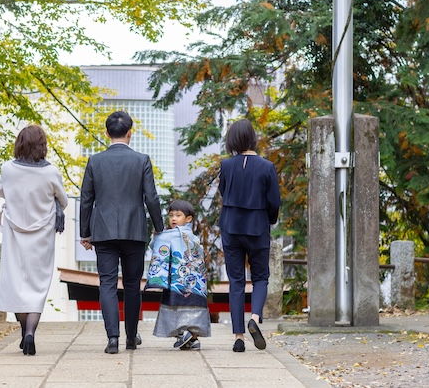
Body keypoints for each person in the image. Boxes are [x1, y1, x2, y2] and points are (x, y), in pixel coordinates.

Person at [80, 110, 164, 354]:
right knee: (131, 284)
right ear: (130, 133)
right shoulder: (142, 160)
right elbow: (151, 197)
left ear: (106, 133)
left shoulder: (95, 161)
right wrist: (159, 228)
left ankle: (112, 338)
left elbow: (87, 199)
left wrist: (85, 233)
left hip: (103, 230)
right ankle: (130, 337)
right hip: (134, 230)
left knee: (106, 283)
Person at [0, 124, 68, 356]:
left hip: (15, 233)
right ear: (42, 145)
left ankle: (23, 332)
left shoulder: (8, 169)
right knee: (37, 284)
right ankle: (30, 333)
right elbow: (63, 200)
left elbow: (0, 191)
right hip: (42, 236)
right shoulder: (50, 172)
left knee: (16, 283)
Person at [217, 118, 281, 352]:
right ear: (253, 138)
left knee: (236, 281)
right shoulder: (267, 167)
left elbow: (224, 192)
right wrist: (269, 219)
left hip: (231, 226)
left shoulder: (226, 165)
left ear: (232, 140)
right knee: (261, 277)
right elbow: (274, 201)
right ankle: (254, 317)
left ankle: (238, 337)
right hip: (257, 227)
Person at [150, 199, 211, 350]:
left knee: (176, 306)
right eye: (171, 215)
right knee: (194, 307)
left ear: (188, 218)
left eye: (178, 215)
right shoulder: (195, 238)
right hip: (196, 283)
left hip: (177, 280)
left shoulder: (170, 235)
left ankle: (183, 334)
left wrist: (156, 235)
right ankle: (193, 339)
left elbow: (155, 244)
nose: (173, 219)